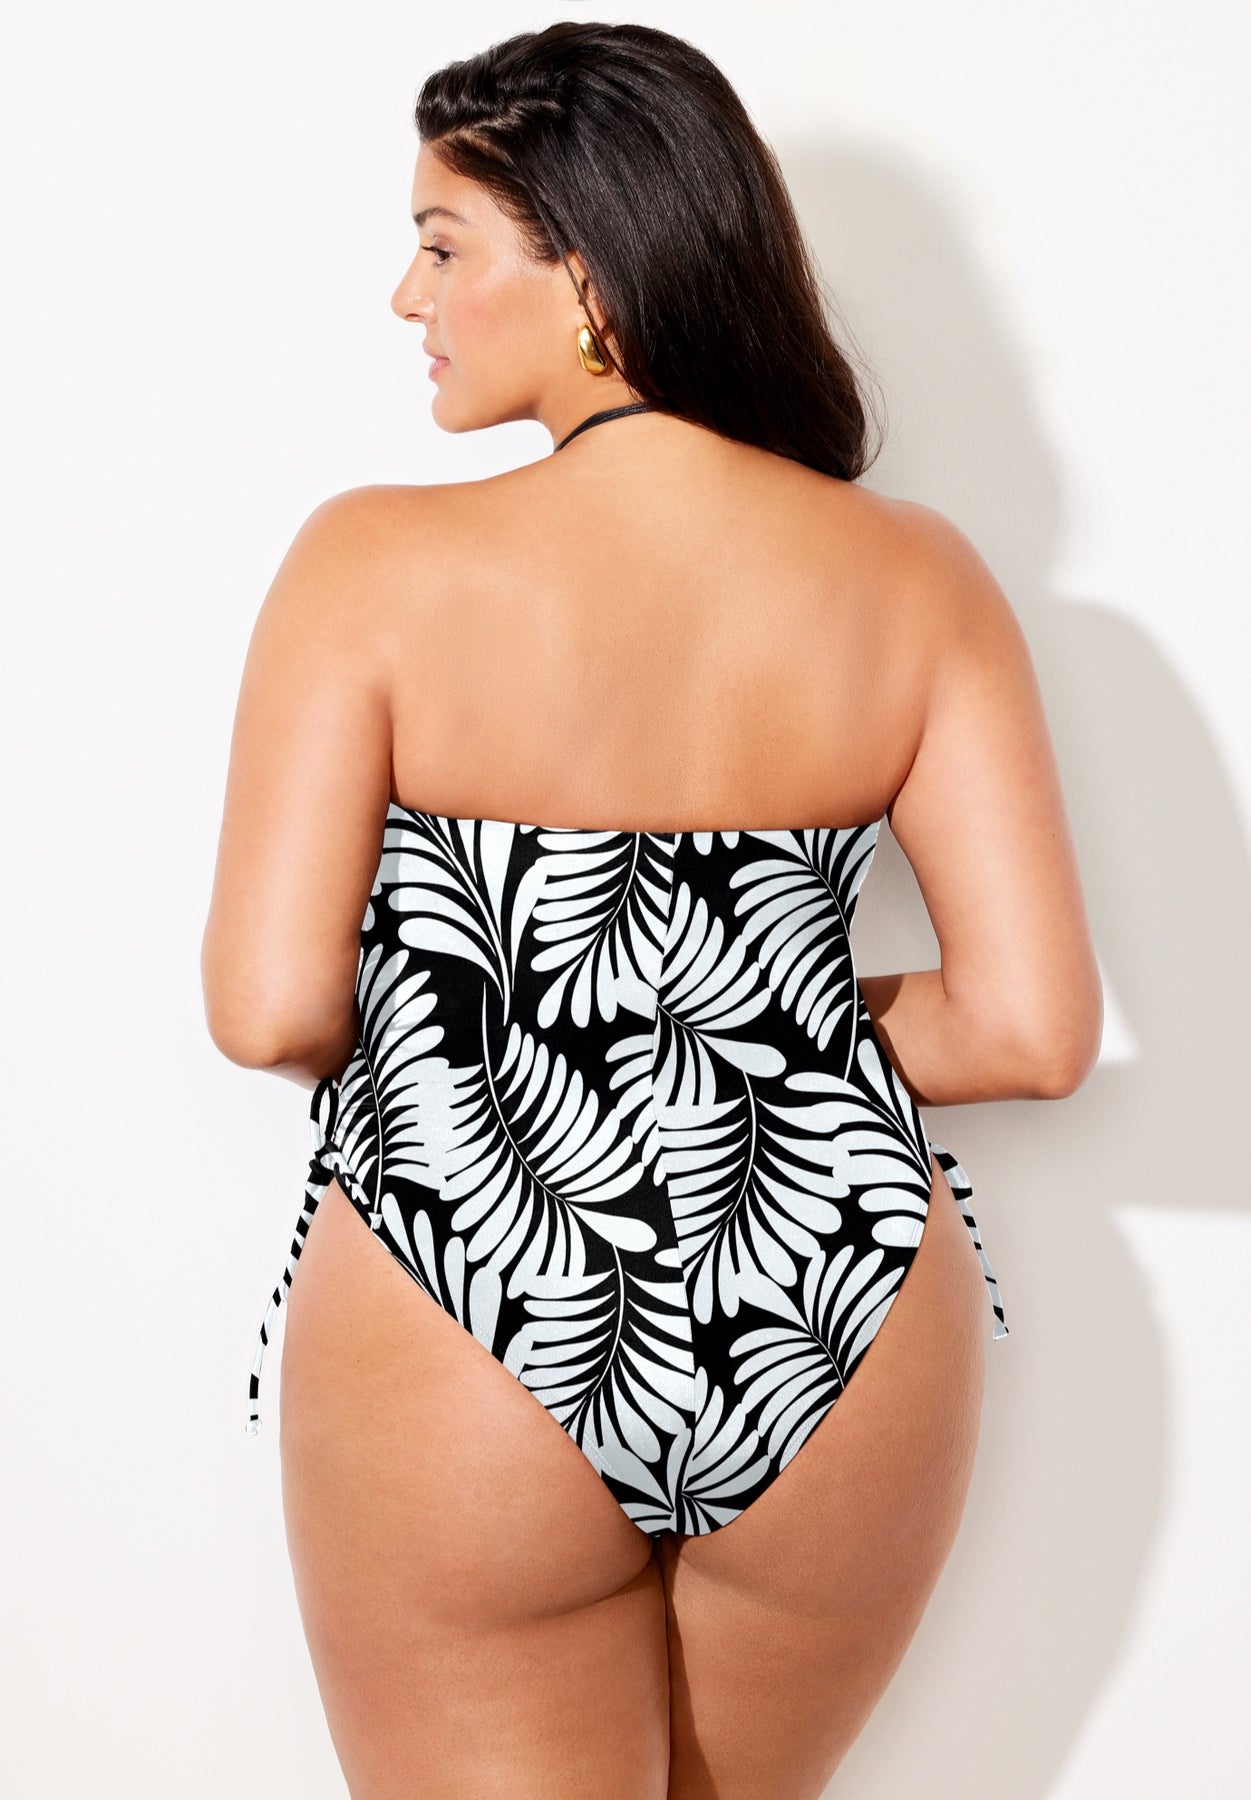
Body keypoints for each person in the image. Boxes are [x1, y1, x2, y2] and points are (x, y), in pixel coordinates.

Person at [201, 21, 1102, 1800]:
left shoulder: (373, 565)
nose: (407, 296)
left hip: (470, 1263)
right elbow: (1027, 1029)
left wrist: (529, 999)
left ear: (593, 277)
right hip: (841, 1287)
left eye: (445, 244)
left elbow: (270, 1008)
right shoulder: (916, 579)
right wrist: (745, 1000)